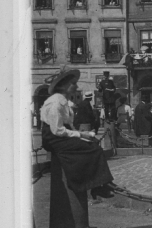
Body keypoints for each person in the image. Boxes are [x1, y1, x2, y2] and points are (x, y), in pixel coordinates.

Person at [39, 69, 115, 199]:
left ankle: (99, 183)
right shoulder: (55, 102)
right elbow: (57, 130)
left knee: (94, 143)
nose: (77, 86)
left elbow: (68, 125)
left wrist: (81, 133)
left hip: (58, 136)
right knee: (91, 148)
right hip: (53, 138)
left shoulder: (63, 101)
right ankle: (93, 184)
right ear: (64, 85)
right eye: (73, 83)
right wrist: (81, 135)